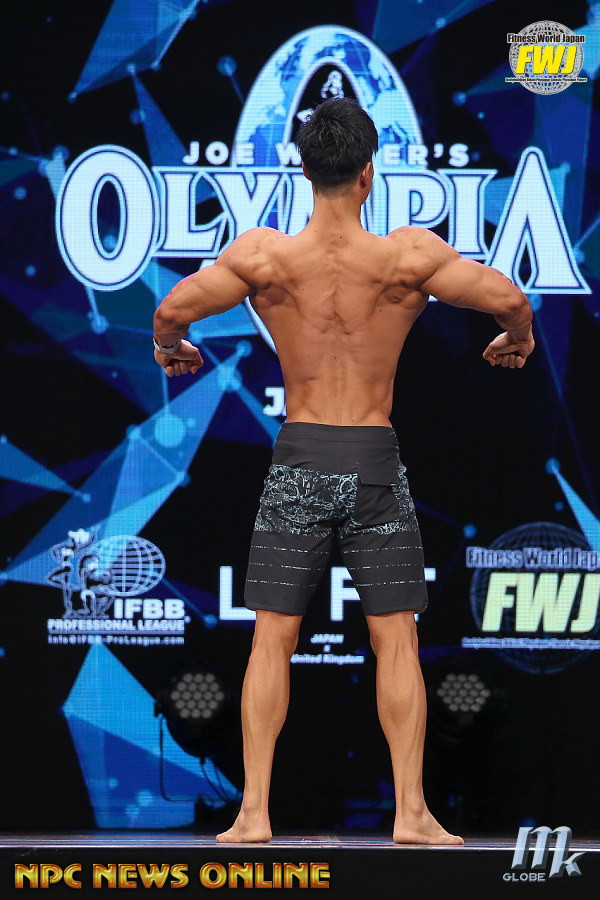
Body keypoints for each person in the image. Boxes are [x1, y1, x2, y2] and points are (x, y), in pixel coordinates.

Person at [152, 98, 534, 845]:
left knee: (272, 639)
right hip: (372, 464)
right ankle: (412, 813)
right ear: (368, 174)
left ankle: (253, 814)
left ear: (304, 172)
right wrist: (513, 340)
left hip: (299, 460)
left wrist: (173, 350)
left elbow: (170, 312)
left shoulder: (264, 258)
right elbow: (511, 301)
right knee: (396, 640)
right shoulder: (406, 258)